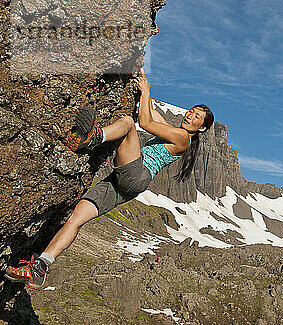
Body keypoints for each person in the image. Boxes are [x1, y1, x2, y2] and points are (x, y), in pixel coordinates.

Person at [4, 68, 214, 289]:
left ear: (202, 127)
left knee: (127, 124)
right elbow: (151, 112)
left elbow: (145, 122)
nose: (190, 115)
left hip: (137, 173)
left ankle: (94, 137)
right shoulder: (175, 131)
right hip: (125, 184)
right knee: (76, 218)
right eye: (191, 111)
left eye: (197, 116)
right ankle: (41, 268)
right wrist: (142, 78)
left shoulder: (183, 138)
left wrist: (145, 91)